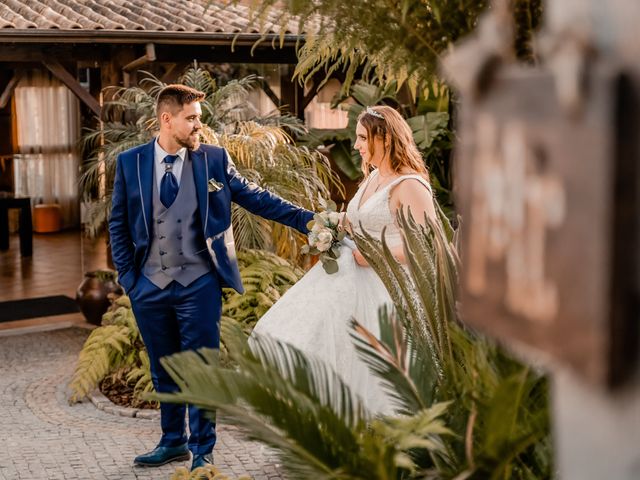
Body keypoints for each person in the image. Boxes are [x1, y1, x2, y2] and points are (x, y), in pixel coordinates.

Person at [108, 84, 314, 471]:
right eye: (192, 118)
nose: (199, 125)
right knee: (163, 366)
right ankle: (172, 442)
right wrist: (129, 281)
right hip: (148, 286)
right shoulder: (130, 163)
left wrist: (308, 220)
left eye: (199, 118)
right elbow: (117, 224)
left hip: (198, 285)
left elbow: (257, 197)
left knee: (203, 366)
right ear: (166, 119)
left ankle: (203, 449)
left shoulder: (213, 161)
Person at [251, 105, 437, 414]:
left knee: (374, 370)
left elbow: (426, 247)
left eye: (363, 138)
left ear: (386, 139)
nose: (356, 145)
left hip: (388, 293)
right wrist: (330, 229)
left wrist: (376, 255)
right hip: (349, 282)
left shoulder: (410, 185)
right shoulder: (374, 178)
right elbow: (357, 223)